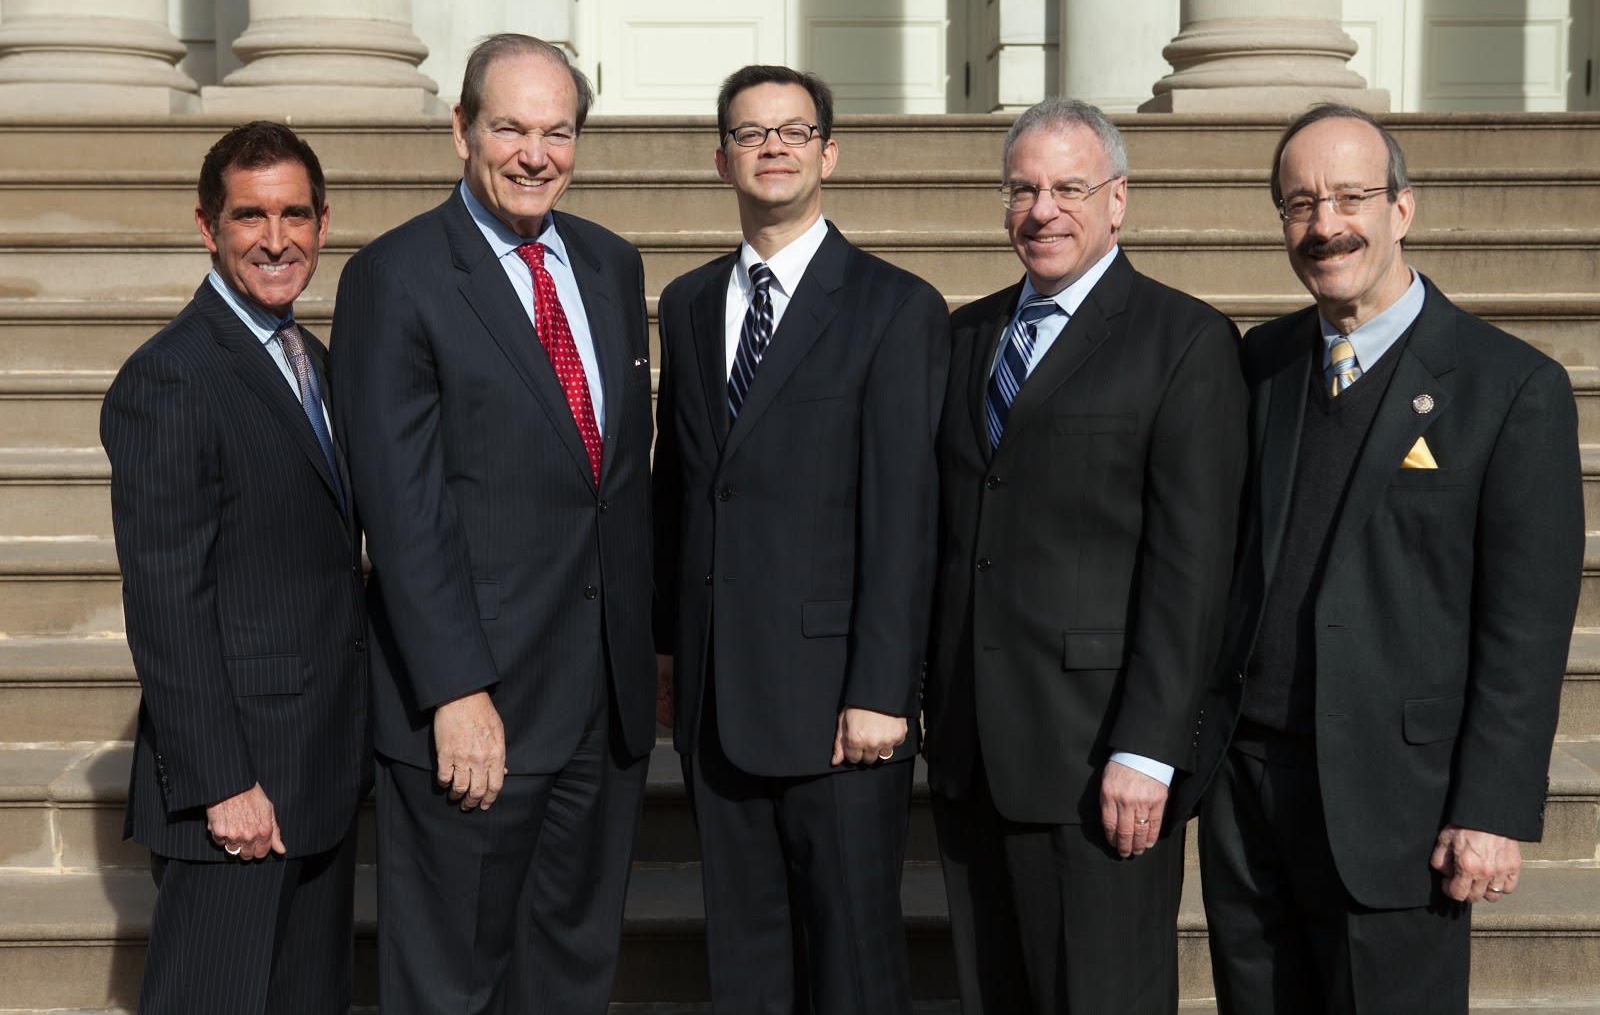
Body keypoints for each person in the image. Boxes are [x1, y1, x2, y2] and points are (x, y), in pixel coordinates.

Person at [1179, 103, 1584, 1013]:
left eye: (1351, 197)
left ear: (1403, 208)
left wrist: (1492, 807)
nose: (1326, 225)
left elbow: (1525, 627)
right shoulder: (1264, 363)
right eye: (1300, 203)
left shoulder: (1510, 387)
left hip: (1400, 803)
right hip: (1250, 790)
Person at [330, 33, 655, 1013]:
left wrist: (651, 651)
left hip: (601, 701)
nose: (534, 152)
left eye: (557, 131)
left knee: (568, 972)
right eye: (509, 126)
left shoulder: (606, 263)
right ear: (460, 132)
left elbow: (619, 485)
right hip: (477, 710)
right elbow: (402, 503)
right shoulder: (396, 276)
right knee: (452, 984)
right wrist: (456, 691)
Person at [921, 97, 1248, 1014]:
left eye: (1069, 186)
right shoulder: (965, 334)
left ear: (1118, 200)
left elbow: (1194, 568)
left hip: (1097, 756)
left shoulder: (1184, 341)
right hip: (971, 746)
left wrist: (1148, 748)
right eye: (1021, 189)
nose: (1042, 209)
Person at [651, 64, 949, 1015]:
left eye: (792, 130)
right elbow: (683, 489)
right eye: (750, 132)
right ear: (721, 157)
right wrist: (668, 647)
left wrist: (880, 690)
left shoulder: (894, 306)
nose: (772, 146)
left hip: (838, 711)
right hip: (717, 701)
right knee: (748, 968)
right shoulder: (691, 303)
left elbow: (906, 516)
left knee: (853, 969)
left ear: (829, 151)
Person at [101, 121, 366, 1014]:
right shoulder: (171, 377)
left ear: (324, 225)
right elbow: (167, 600)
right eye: (250, 216)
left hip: (320, 776)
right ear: (208, 227)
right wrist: (223, 783)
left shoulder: (315, 363)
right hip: (239, 792)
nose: (276, 238)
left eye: (295, 214)